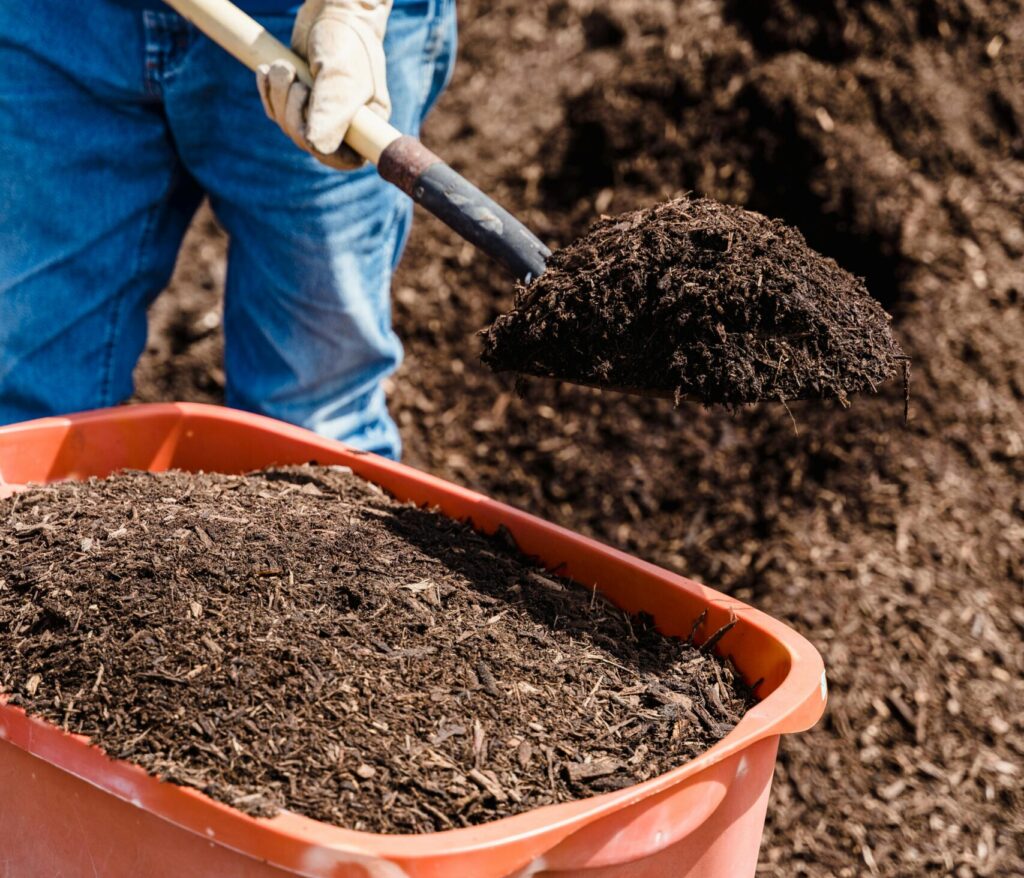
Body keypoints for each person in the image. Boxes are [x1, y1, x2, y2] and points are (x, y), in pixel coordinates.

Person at [0, 0, 457, 460]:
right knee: (26, 406)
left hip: (299, 20)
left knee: (312, 434)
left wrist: (353, 8)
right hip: (63, 19)